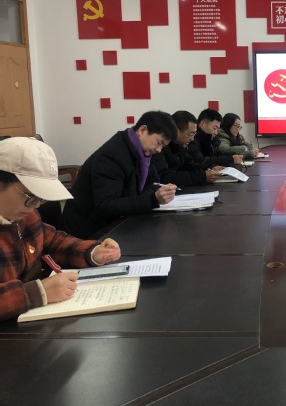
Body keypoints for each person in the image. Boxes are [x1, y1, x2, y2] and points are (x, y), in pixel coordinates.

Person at [0, 137, 121, 322]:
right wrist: (37, 293)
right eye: (31, 196)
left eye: (42, 198)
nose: (36, 206)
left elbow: (51, 241)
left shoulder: (25, 214)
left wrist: (92, 252)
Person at [62, 111, 178, 238]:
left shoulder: (142, 153)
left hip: (118, 222)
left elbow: (153, 183)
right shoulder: (111, 156)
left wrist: (146, 198)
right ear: (142, 130)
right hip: (89, 231)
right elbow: (106, 206)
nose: (159, 150)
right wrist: (152, 199)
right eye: (159, 142)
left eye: (163, 146)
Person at [153, 111, 224, 188]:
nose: (192, 139)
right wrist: (202, 176)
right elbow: (164, 177)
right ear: (176, 131)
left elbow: (190, 165)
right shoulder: (159, 148)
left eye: (194, 134)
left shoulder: (180, 146)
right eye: (190, 134)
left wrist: (210, 167)